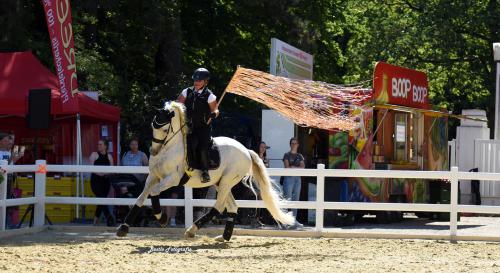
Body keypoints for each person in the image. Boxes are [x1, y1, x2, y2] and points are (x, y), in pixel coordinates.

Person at [178, 67, 219, 183]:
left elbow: (216, 110)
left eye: (199, 81)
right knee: (187, 144)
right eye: (195, 80)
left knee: (202, 148)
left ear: (205, 82)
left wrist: (214, 115)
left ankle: (205, 172)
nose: (196, 83)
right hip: (188, 126)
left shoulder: (209, 96)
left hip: (203, 127)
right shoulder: (186, 92)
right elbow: (178, 104)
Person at [89, 139, 115, 226]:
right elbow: (91, 168)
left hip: (105, 181)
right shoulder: (94, 154)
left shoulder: (109, 156)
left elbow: (112, 169)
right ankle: (109, 217)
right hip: (95, 181)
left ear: (105, 146)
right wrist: (100, 173)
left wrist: (104, 173)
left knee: (102, 199)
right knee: (101, 198)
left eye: (100, 144)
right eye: (98, 144)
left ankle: (95, 220)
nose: (98, 146)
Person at [282, 137, 305, 226]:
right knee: (287, 199)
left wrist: (294, 167)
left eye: (295, 143)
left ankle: (293, 220)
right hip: (289, 178)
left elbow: (303, 167)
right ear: (290, 144)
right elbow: (287, 167)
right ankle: (285, 221)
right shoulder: (286, 154)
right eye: (292, 143)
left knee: (296, 200)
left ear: (298, 145)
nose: (294, 145)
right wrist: (296, 168)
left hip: (297, 179)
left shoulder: (300, 156)